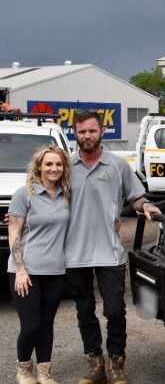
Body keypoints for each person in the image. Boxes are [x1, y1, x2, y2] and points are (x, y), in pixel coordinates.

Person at [65, 111, 160, 384]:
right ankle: (95, 365)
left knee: (115, 310)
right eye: (82, 132)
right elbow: (46, 198)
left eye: (92, 131)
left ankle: (116, 363)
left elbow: (136, 197)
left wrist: (147, 206)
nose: (87, 136)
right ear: (75, 133)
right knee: (85, 311)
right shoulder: (66, 165)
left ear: (102, 132)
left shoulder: (117, 164)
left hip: (109, 252)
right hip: (74, 254)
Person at [7, 145, 72, 384]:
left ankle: (44, 372)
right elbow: (14, 233)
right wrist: (20, 270)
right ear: (39, 167)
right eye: (49, 164)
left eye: (58, 164)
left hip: (56, 270)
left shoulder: (68, 195)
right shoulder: (24, 194)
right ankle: (24, 368)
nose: (54, 168)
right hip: (27, 271)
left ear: (64, 167)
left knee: (46, 324)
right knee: (31, 326)